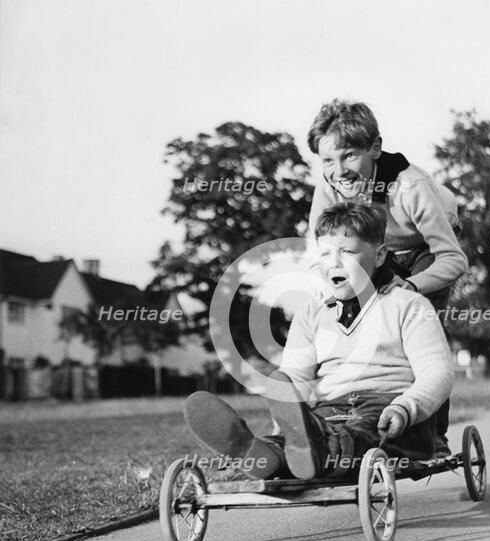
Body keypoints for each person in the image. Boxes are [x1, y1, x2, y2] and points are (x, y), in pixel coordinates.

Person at [184, 203, 454, 481]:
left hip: (391, 409)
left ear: (380, 255)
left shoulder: (408, 305)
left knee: (357, 435)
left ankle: (312, 450)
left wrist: (406, 407)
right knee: (313, 430)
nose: (334, 262)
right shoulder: (313, 311)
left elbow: (437, 372)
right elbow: (295, 376)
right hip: (331, 409)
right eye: (325, 253)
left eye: (347, 251)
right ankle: (266, 454)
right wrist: (286, 419)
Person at [306, 99, 467, 454]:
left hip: (425, 244)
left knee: (422, 324)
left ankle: (432, 436)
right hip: (382, 249)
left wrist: (410, 285)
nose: (339, 170)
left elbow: (454, 260)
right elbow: (316, 250)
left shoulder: (410, 186)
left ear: (375, 148)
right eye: (328, 160)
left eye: (349, 156)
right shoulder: (329, 188)